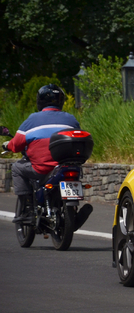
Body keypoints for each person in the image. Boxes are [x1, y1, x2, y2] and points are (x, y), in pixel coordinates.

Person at [2, 84, 80, 222]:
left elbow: (16, 144)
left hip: (42, 169)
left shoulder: (33, 119)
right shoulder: (71, 119)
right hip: (66, 167)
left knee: (16, 168)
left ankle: (27, 208)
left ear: (40, 101)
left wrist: (7, 145)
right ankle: (73, 209)